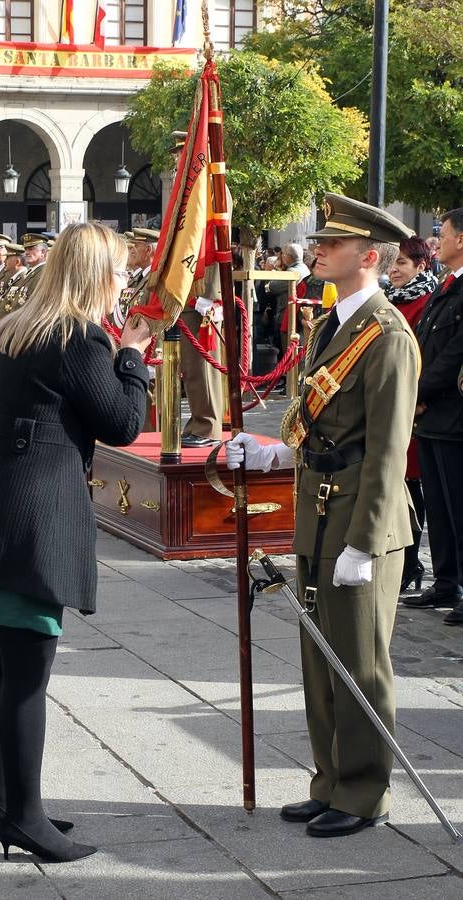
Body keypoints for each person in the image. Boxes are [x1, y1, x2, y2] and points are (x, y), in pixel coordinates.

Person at [0, 222, 152, 863]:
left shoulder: (13, 329)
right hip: (34, 523)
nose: (124, 282)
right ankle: (24, 817)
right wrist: (133, 355)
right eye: (119, 271)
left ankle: (3, 798)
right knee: (26, 678)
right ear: (94, 275)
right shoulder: (79, 337)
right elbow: (121, 421)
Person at [227, 194, 418, 838]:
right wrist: (272, 452)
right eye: (320, 242)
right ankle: (329, 779)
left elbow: (387, 452)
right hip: (316, 509)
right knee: (318, 656)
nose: (318, 250)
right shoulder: (328, 326)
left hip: (361, 520)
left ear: (368, 257)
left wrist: (363, 544)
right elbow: (320, 428)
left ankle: (364, 794)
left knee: (358, 660)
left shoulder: (388, 337)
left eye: (332, 245)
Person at [405, 209, 463, 624]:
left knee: (458, 508)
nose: (436, 239)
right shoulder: (447, 285)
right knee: (440, 508)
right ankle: (446, 583)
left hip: (453, 415)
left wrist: (419, 393)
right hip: (431, 417)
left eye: (443, 233)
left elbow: (455, 354)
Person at [383, 236, 437, 595]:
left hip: (414, 406)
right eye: (392, 263)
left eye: (402, 262)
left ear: (420, 265)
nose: (394, 269)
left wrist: (416, 397)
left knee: (412, 491)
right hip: (388, 401)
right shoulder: (389, 300)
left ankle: (410, 561)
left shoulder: (428, 302)